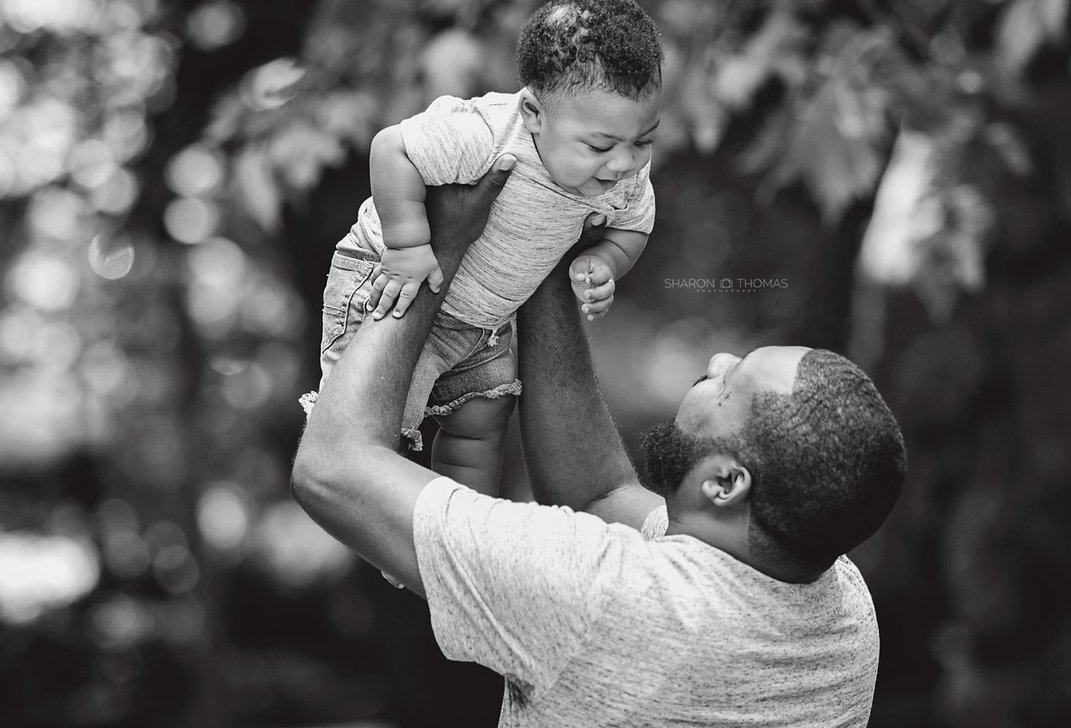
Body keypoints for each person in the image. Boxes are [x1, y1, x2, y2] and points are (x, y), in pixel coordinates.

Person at [292, 160, 909, 727]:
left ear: (726, 483)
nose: (718, 360)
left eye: (731, 387)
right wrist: (543, 244)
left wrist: (442, 244)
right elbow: (597, 493)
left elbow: (332, 467)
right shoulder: (841, 610)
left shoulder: (605, 603)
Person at [300, 0, 663, 497]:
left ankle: (456, 522)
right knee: (377, 418)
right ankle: (381, 516)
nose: (625, 162)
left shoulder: (625, 177)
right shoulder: (486, 136)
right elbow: (391, 149)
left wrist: (606, 261)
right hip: (396, 278)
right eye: (600, 145)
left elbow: (635, 226)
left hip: (485, 321)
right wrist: (407, 245)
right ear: (535, 115)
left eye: (644, 140)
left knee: (483, 422)